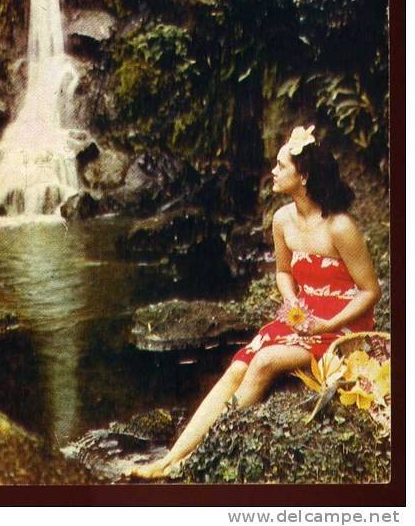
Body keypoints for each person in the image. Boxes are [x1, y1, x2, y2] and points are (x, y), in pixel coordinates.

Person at [127, 125, 381, 480]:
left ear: (304, 176)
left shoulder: (340, 227)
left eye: (281, 166)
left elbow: (370, 291)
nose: (273, 172)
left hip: (341, 326)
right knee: (236, 368)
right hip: (303, 316)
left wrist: (326, 324)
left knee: (263, 362)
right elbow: (283, 272)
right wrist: (294, 304)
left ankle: (198, 455)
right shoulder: (281, 220)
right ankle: (169, 458)